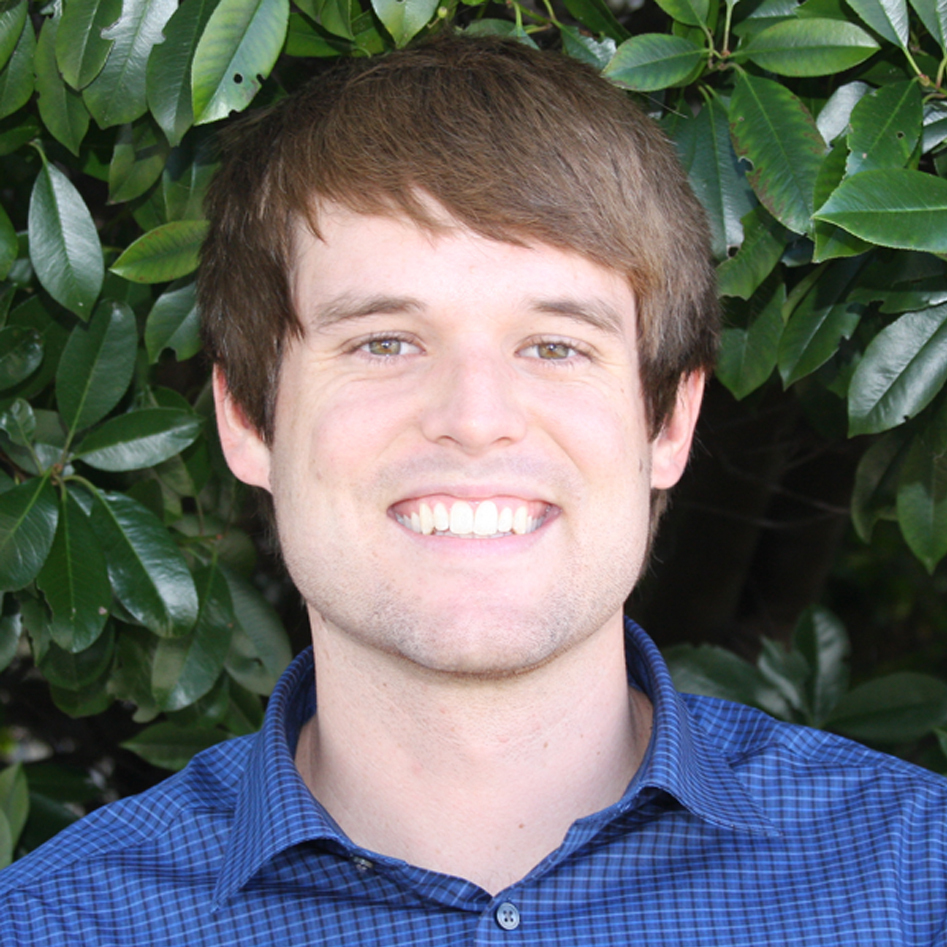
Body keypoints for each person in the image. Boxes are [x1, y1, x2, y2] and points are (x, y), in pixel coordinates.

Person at [1, 34, 946, 946]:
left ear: (668, 423)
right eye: (384, 342)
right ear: (248, 419)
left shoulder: (916, 883)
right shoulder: (52, 926)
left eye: (554, 345)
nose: (475, 416)